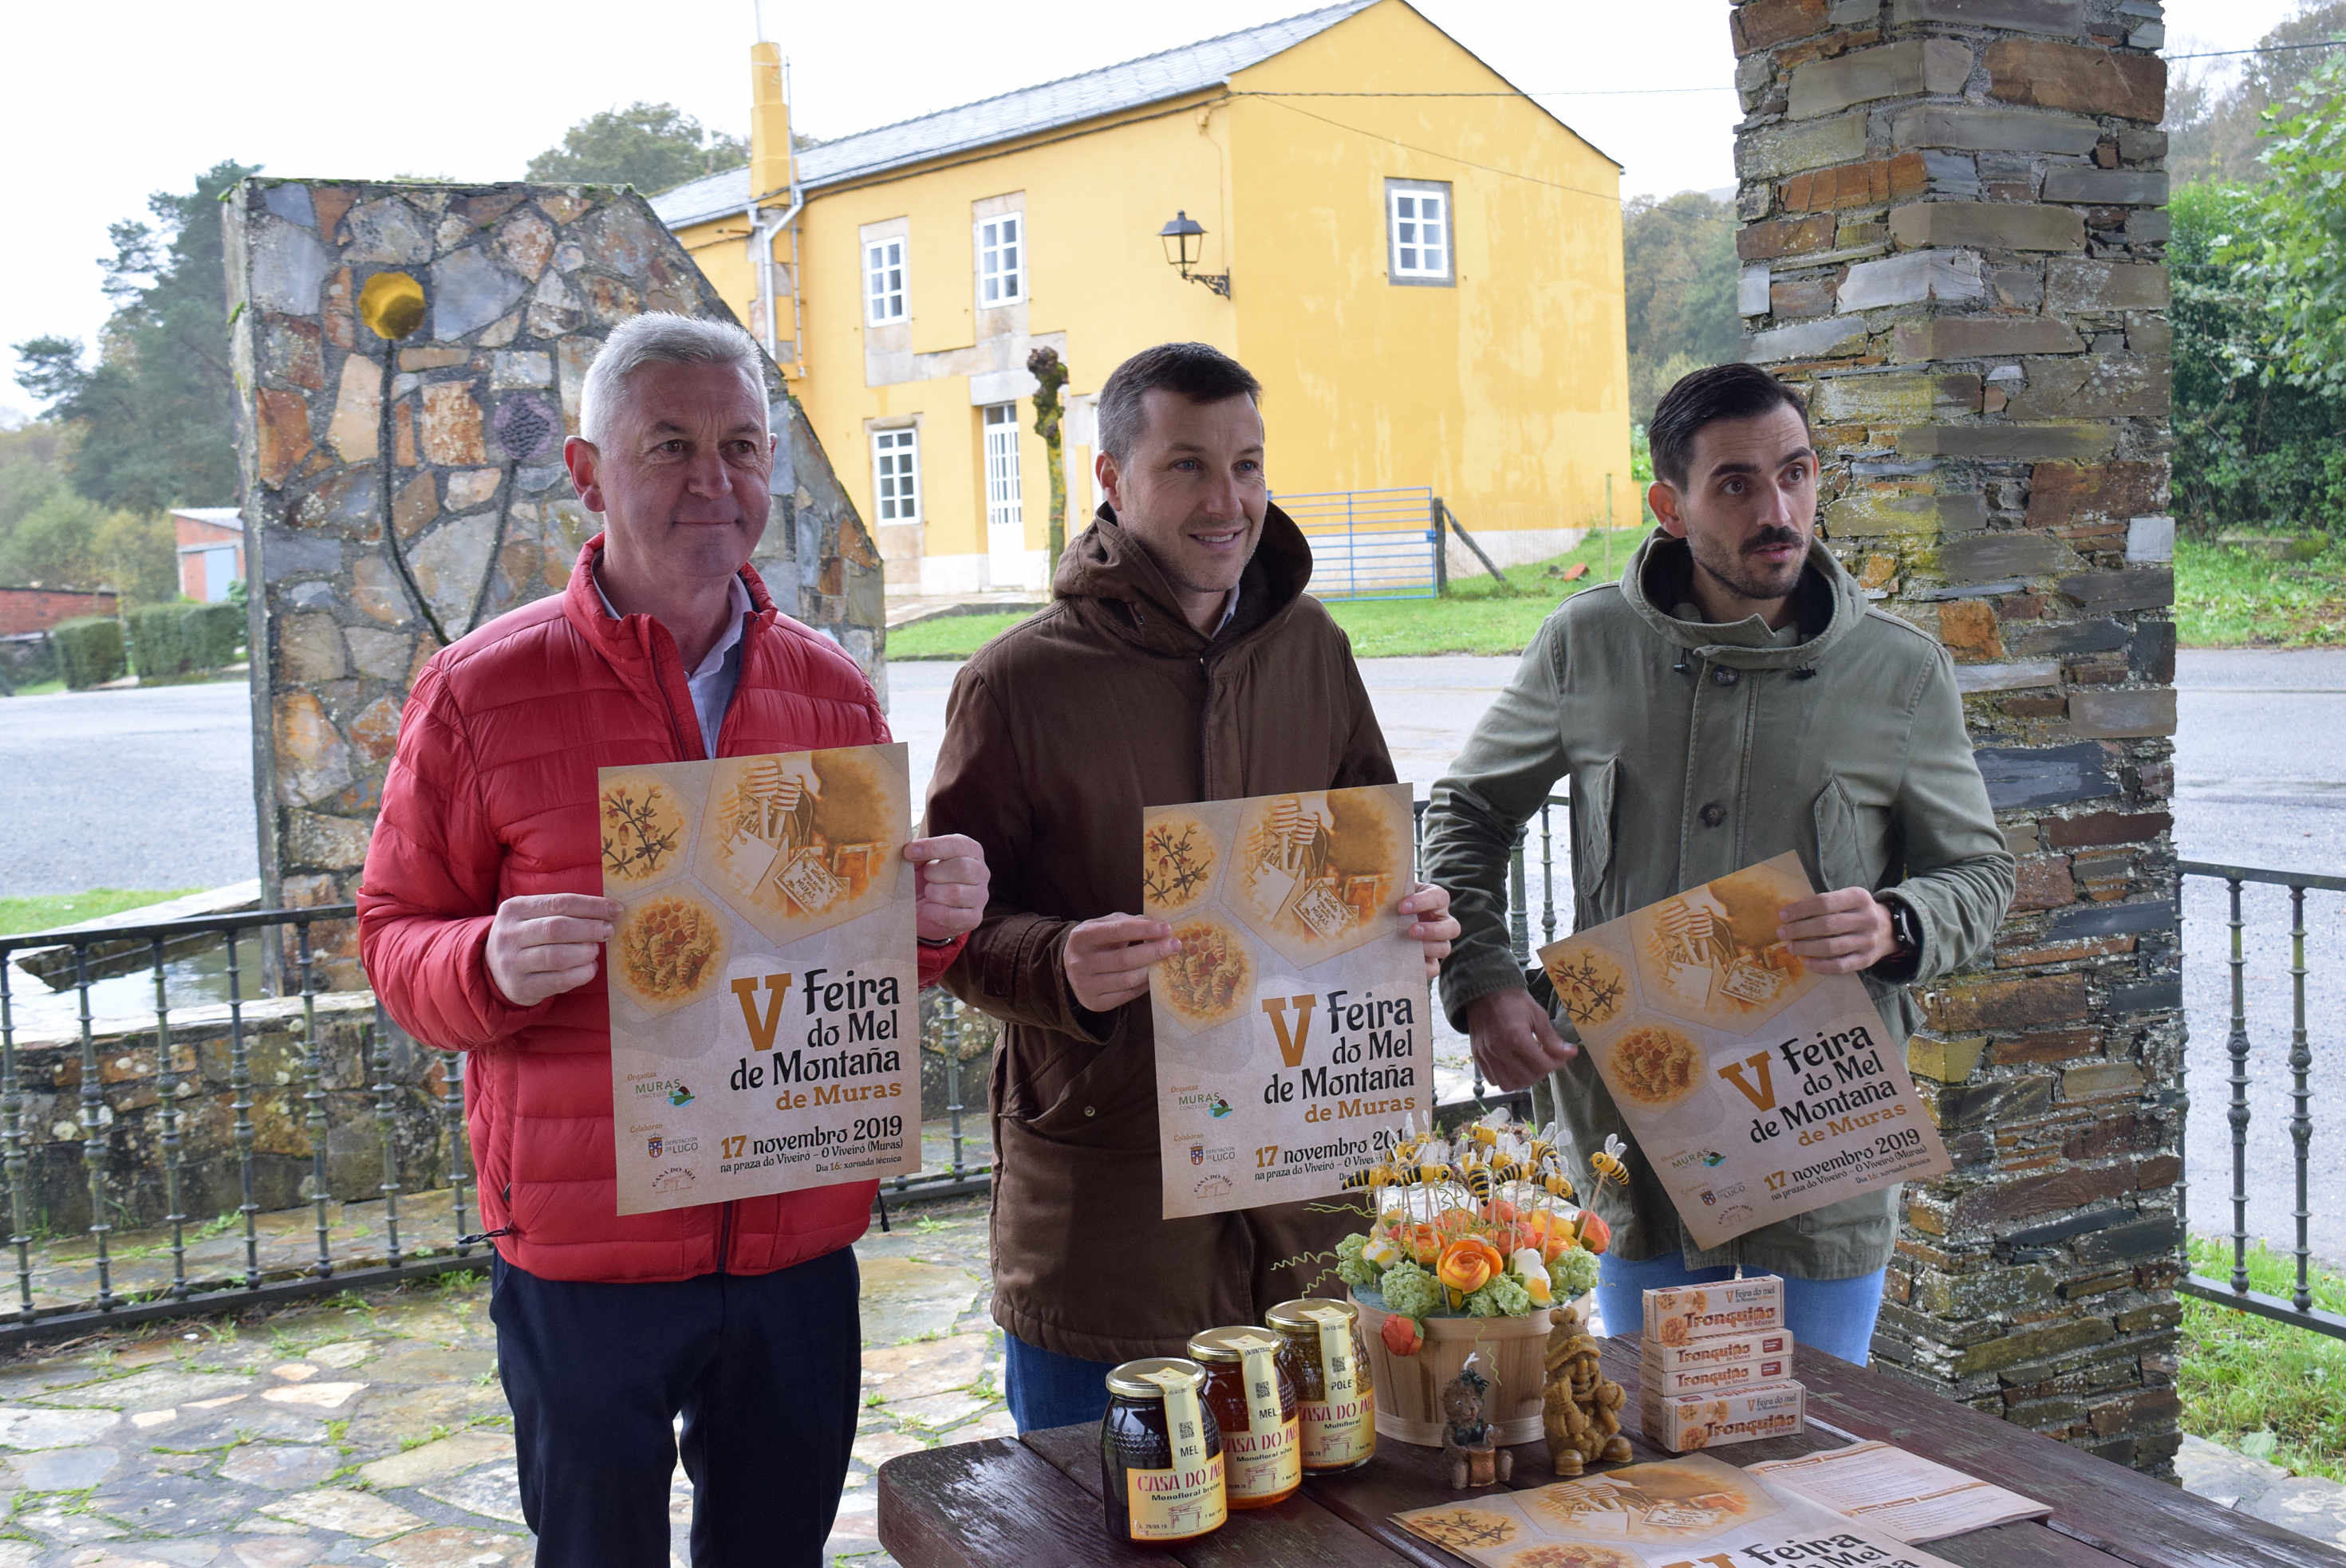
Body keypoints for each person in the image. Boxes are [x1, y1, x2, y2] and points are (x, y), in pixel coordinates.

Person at [358, 313, 989, 1567]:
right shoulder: (478, 689)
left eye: (743, 445)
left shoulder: (831, 687)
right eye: (672, 445)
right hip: (588, 1248)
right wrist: (482, 961)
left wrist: (927, 927)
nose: (716, 479)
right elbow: (391, 941)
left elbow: (849, 954)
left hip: (795, 1237)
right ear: (589, 474)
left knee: (776, 1551)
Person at [1419, 362, 2013, 1363]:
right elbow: (1468, 810)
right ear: (1669, 504)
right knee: (1650, 1420)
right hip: (1627, 1114)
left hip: (1821, 1124)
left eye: (1795, 473)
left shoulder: (1900, 670)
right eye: (1735, 484)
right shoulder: (1586, 643)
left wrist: (1896, 922)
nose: (1776, 509)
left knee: (1819, 1422)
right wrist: (1484, 984)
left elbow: (1979, 875)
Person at [924, 341, 1461, 1432]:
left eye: (1249, 465)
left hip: (1308, 1203)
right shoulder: (1018, 681)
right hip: (1114, 1221)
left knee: (1322, 1533)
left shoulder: (1313, 645)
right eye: (1188, 467)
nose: (1229, 500)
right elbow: (941, 929)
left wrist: (1410, 919)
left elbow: (1365, 853)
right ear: (1111, 480)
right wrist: (1054, 960)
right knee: (1096, 1530)